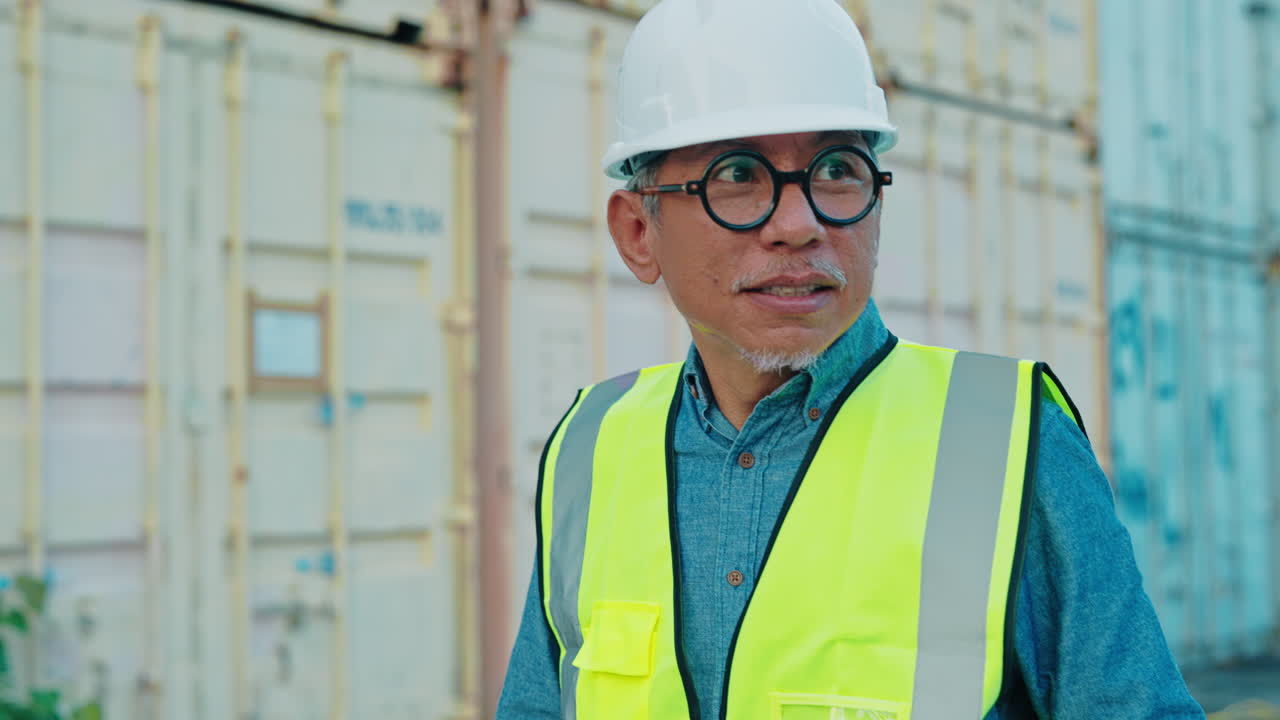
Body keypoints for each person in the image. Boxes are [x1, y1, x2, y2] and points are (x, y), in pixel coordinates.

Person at [497, 0, 1205, 717]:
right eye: (737, 175)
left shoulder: (1009, 443)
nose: (800, 224)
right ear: (638, 232)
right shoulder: (592, 447)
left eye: (837, 168)